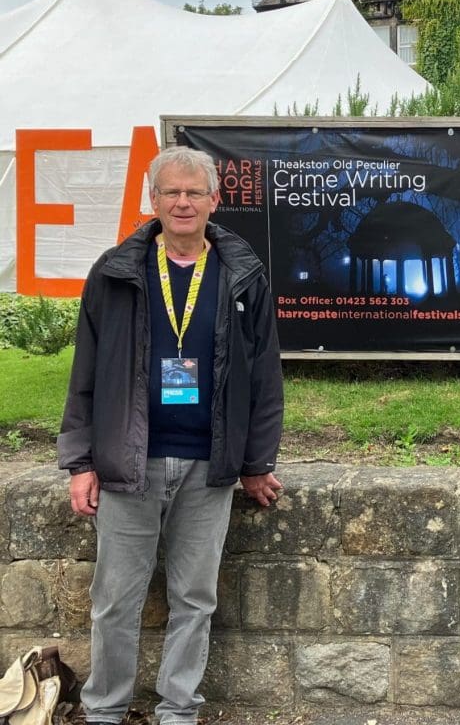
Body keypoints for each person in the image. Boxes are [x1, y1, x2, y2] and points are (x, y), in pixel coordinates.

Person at [58, 146, 285, 725]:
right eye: (170, 192)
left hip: (210, 465)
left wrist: (257, 462)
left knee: (195, 599)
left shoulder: (243, 275)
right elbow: (85, 374)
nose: (182, 202)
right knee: (114, 602)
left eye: (193, 192)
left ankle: (179, 710)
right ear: (152, 201)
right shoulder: (114, 272)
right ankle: (105, 710)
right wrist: (80, 461)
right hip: (129, 462)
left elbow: (263, 376)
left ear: (215, 199)